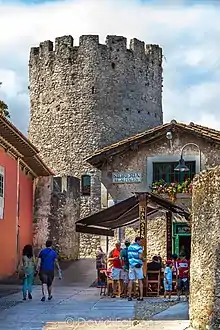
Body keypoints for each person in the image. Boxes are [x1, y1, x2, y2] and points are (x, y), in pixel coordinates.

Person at [127, 237, 146, 301]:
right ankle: (141, 297)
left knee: (131, 280)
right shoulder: (139, 248)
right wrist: (144, 259)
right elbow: (140, 257)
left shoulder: (129, 247)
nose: (141, 243)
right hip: (138, 265)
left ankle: (129, 296)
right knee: (140, 280)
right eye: (140, 241)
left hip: (131, 265)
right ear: (137, 241)